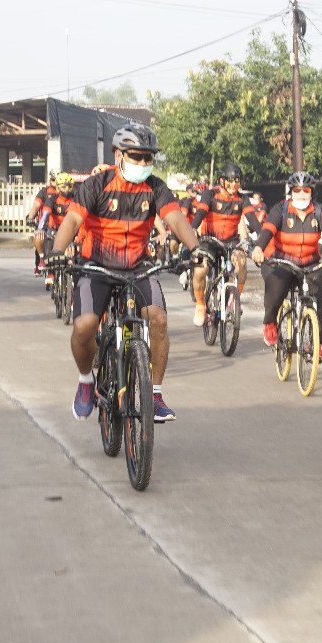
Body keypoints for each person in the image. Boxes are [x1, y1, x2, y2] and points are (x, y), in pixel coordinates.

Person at [45, 123, 202, 424]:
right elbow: (72, 220)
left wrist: (195, 246)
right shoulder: (96, 185)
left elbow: (176, 219)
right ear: (118, 155)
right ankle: (86, 382)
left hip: (138, 266)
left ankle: (154, 394)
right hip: (96, 266)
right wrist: (56, 252)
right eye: (136, 157)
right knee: (84, 327)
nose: (143, 164)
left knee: (158, 318)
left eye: (148, 158)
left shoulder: (155, 187)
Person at [251, 171, 322, 358]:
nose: (301, 194)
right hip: (284, 261)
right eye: (297, 190)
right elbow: (267, 230)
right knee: (276, 288)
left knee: (318, 301)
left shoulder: (319, 211)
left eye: (305, 190)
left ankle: (317, 342)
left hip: (310, 264)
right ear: (291, 192)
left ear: (311, 192)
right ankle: (270, 323)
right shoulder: (281, 209)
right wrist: (259, 248)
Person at [189, 163, 249, 327]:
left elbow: (253, 219)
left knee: (242, 263)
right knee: (200, 268)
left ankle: (234, 300)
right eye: (229, 181)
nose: (233, 185)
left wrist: (258, 243)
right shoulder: (210, 194)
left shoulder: (242, 198)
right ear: (221, 181)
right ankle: (200, 304)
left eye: (237, 181)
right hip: (209, 240)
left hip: (231, 241)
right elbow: (201, 212)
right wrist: (193, 227)